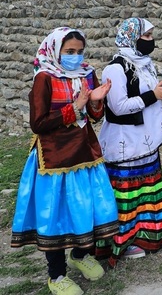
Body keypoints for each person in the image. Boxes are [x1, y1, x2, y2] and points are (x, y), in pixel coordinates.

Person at [11, 27, 118, 295]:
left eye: (79, 52)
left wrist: (95, 101)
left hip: (85, 153)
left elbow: (95, 116)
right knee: (56, 214)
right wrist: (76, 106)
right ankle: (56, 274)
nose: (75, 56)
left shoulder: (86, 73)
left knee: (89, 206)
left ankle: (81, 255)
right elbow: (38, 123)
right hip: (54, 158)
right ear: (55, 50)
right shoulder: (44, 78)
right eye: (69, 52)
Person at [97, 18, 162, 266]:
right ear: (131, 38)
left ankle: (147, 234)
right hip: (126, 141)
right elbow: (119, 106)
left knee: (147, 190)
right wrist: (153, 95)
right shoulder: (116, 68)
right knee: (128, 195)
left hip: (145, 139)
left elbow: (150, 96)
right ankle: (124, 240)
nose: (150, 41)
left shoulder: (144, 64)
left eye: (151, 36)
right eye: (146, 36)